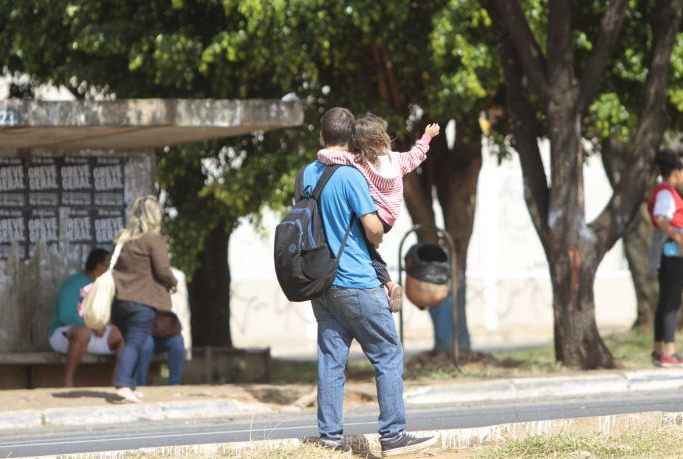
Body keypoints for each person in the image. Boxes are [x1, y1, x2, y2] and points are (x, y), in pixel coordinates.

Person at [303, 107, 436, 456]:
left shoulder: (307, 173)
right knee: (388, 354)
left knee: (331, 359)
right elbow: (373, 228)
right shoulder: (350, 177)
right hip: (357, 282)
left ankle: (329, 438)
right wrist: (376, 236)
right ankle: (393, 436)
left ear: (322, 136)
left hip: (322, 284)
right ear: (352, 141)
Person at [317, 114, 440, 311]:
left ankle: (388, 286)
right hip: (389, 218)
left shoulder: (359, 161)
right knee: (370, 250)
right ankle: (388, 285)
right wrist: (427, 136)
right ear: (382, 137)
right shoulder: (397, 160)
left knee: (362, 249)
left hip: (373, 217)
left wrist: (320, 154)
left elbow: (331, 156)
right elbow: (416, 154)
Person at [111, 196, 177, 402]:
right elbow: (163, 270)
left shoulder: (125, 240)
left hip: (119, 302)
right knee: (135, 343)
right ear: (154, 215)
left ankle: (129, 385)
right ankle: (122, 384)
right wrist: (173, 282)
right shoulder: (153, 239)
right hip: (141, 302)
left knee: (132, 342)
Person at [48, 248, 124, 387]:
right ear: (97, 265)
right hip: (64, 334)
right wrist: (92, 325)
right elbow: (65, 315)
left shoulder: (106, 286)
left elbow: (105, 317)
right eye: (108, 265)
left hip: (94, 334)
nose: (111, 270)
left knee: (122, 336)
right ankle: (68, 383)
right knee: (83, 332)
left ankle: (116, 384)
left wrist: (105, 326)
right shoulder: (74, 283)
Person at [648, 149, 683, 367]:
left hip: (671, 253)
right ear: (676, 172)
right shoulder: (666, 193)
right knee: (670, 302)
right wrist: (678, 237)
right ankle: (667, 352)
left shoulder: (667, 192)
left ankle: (660, 350)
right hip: (670, 253)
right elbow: (661, 219)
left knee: (667, 301)